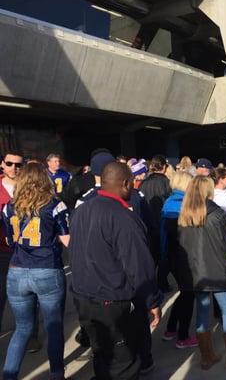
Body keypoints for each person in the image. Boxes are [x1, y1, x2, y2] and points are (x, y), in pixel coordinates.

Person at [69, 162, 162, 379]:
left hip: (84, 299)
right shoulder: (124, 218)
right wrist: (152, 301)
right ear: (126, 184)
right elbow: (139, 266)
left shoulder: (81, 211)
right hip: (112, 302)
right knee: (123, 363)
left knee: (102, 355)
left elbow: (74, 253)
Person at [178, 176, 226, 372]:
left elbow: (183, 246)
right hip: (217, 270)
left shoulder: (184, 215)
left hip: (197, 271)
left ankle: (207, 357)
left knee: (203, 312)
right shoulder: (216, 213)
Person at [2, 163, 70, 380]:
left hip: (17, 270)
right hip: (46, 269)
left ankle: (9, 375)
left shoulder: (8, 207)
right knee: (53, 327)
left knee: (22, 329)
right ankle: (56, 374)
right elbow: (67, 240)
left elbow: (8, 239)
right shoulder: (54, 204)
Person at [160, 171, 197, 348]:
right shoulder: (184, 205)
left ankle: (171, 328)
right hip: (184, 256)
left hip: (171, 256)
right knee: (189, 294)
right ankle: (183, 337)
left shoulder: (168, 202)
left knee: (184, 293)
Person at [140, 155, 172, 291]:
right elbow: (168, 203)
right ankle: (162, 283)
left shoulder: (144, 183)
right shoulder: (166, 183)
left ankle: (151, 284)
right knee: (164, 255)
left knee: (150, 257)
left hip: (147, 224)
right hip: (162, 223)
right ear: (164, 167)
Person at [0, 150, 23, 334]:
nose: (13, 168)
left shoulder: (28, 187)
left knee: (27, 297)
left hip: (25, 250)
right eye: (9, 163)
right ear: (2, 164)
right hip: (1, 250)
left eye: (18, 164)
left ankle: (30, 334)